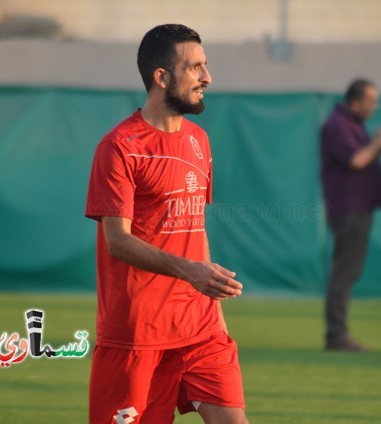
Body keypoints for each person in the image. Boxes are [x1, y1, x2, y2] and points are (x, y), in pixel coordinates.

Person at [85, 24, 248, 423]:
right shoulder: (119, 147)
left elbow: (196, 227)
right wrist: (190, 271)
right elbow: (117, 242)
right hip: (137, 335)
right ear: (162, 77)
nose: (207, 78)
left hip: (202, 328)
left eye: (205, 67)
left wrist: (216, 312)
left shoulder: (199, 141)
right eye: (194, 68)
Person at [320, 79, 381, 352]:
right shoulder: (338, 125)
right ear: (356, 102)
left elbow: (365, 156)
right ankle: (337, 336)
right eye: (371, 101)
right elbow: (357, 160)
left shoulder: (350, 124)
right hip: (349, 209)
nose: (375, 107)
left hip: (358, 208)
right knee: (344, 273)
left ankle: (337, 334)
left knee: (348, 272)